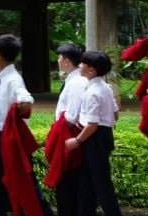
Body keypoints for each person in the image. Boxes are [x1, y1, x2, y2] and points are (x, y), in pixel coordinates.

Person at [0, 34, 53, 216]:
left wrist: (14, 118)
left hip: (8, 138)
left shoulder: (13, 79)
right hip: (0, 138)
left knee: (25, 183)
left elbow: (26, 101)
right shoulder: (4, 77)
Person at [64, 51, 122, 216]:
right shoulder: (105, 87)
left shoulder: (92, 92)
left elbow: (92, 125)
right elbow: (115, 114)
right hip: (102, 137)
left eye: (83, 63)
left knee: (102, 185)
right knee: (87, 183)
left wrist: (77, 140)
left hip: (94, 139)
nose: (79, 65)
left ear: (91, 70)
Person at [48, 43, 87, 216]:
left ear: (66, 61)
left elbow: (72, 117)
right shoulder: (73, 80)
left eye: (59, 58)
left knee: (68, 184)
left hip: (70, 135)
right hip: (69, 133)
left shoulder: (76, 83)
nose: (57, 61)